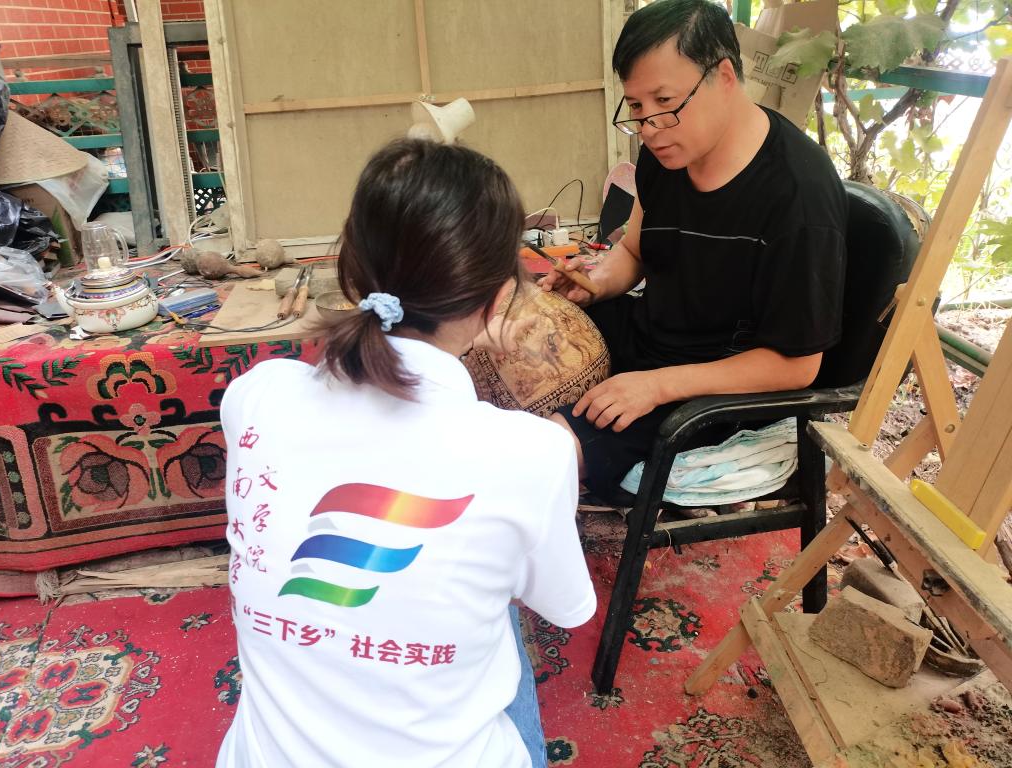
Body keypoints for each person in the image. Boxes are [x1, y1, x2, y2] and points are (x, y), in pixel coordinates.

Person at [216, 139, 596, 768]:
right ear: (499, 298)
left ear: (350, 270)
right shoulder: (534, 451)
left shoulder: (255, 396)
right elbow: (563, 607)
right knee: (494, 606)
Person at [541, 0, 848, 502]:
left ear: (723, 76)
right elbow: (634, 250)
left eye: (664, 101)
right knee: (518, 328)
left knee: (548, 446)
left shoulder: (797, 194)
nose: (649, 127)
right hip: (653, 338)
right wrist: (595, 284)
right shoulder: (664, 154)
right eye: (636, 108)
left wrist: (656, 386)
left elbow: (797, 366)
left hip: (720, 388)